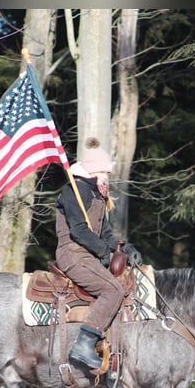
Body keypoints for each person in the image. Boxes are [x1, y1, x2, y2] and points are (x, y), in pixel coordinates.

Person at [55, 137, 142, 369]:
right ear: (93, 171)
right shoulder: (74, 190)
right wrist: (105, 253)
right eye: (104, 172)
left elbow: (104, 233)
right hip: (72, 253)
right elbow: (79, 231)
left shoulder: (97, 195)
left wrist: (123, 248)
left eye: (107, 172)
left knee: (123, 286)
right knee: (112, 290)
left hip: (88, 254)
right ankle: (83, 346)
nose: (107, 176)